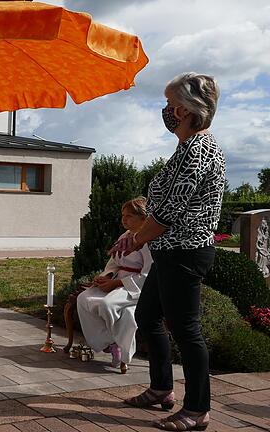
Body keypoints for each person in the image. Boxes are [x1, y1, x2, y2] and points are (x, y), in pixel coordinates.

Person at [115, 73, 224, 431]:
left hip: (185, 252)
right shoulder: (185, 148)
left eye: (170, 104)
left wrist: (136, 239)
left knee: (186, 329)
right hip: (169, 251)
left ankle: (197, 410)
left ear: (187, 109)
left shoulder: (199, 149)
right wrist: (136, 236)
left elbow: (167, 212)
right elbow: (160, 210)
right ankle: (162, 389)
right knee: (147, 317)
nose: (166, 111)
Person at [76, 197, 152, 374]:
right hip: (116, 280)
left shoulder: (148, 241)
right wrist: (106, 277)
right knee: (84, 298)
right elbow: (114, 262)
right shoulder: (124, 237)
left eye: (129, 216)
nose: (124, 219)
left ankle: (119, 346)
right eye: (123, 215)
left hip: (134, 287)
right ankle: (109, 343)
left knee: (106, 304)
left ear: (143, 218)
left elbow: (148, 275)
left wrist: (116, 283)